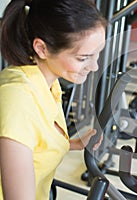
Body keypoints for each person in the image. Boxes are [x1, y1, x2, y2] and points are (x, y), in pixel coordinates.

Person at [0, 0, 106, 199]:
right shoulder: (19, 99)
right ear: (41, 48)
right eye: (84, 58)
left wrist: (73, 143)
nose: (95, 66)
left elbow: (34, 145)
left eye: (97, 54)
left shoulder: (47, 82)